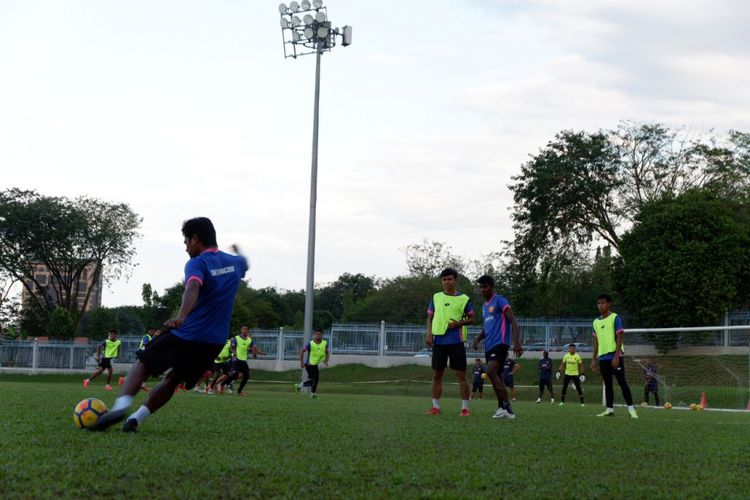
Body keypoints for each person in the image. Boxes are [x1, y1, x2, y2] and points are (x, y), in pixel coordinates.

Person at [90, 217, 248, 432]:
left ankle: (120, 408)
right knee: (174, 379)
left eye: (186, 242)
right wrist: (239, 252)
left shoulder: (197, 263)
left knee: (143, 363)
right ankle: (135, 419)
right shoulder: (234, 264)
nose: (185, 248)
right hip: (214, 342)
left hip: (188, 334)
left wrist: (181, 317)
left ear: (195, 239)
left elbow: (192, 286)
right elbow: (245, 263)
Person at [472, 274, 523, 419]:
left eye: (485, 287)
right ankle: (504, 409)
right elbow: (486, 328)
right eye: (481, 287)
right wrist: (478, 339)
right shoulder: (484, 307)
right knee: (497, 378)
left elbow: (513, 321)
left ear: (492, 287)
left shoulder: (500, 301)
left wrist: (517, 343)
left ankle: (505, 407)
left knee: (490, 372)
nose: (482, 290)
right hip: (489, 347)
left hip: (500, 344)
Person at [425, 268, 475, 416]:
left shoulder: (464, 299)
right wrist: (429, 334)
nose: (447, 282)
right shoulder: (436, 297)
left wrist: (459, 323)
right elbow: (430, 317)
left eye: (449, 279)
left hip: (456, 341)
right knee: (437, 375)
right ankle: (435, 407)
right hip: (439, 341)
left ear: (455, 280)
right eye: (444, 279)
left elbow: (472, 319)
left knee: (461, 375)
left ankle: (465, 409)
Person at [590, 293, 638, 418]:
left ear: (609, 304)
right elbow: (596, 341)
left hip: (615, 356)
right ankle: (609, 409)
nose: (600, 305)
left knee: (622, 382)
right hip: (603, 358)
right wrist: (593, 359)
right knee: (608, 384)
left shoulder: (615, 318)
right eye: (598, 303)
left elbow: (620, 336)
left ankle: (631, 410)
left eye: (603, 302)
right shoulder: (595, 322)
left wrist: (617, 356)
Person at [221, 325, 266, 397]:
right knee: (235, 374)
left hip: (243, 360)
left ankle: (239, 391)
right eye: (243, 329)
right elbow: (232, 348)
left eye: (246, 329)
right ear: (241, 330)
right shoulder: (236, 338)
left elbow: (254, 348)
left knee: (246, 376)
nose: (245, 331)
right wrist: (234, 352)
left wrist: (260, 353)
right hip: (236, 359)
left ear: (248, 331)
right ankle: (223, 384)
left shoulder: (250, 340)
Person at [298, 328, 330, 398]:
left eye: (320, 334)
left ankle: (301, 386)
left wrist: (325, 361)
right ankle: (312, 394)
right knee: (315, 380)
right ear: (314, 335)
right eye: (317, 334)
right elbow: (302, 351)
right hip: (309, 364)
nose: (318, 335)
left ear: (322, 335)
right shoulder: (310, 344)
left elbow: (327, 352)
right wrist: (302, 363)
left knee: (314, 380)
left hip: (315, 364)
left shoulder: (324, 343)